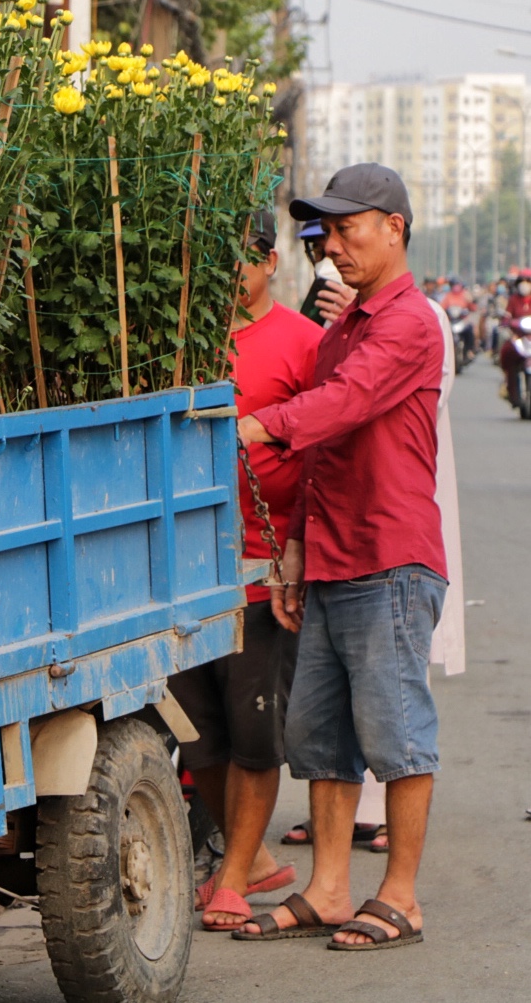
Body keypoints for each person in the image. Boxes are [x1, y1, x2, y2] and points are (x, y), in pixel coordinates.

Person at [234, 163, 446, 950]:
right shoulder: (348, 324)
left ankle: (400, 895)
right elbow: (324, 457)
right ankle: (327, 888)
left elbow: (344, 403)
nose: (332, 247)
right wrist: (291, 549)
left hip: (388, 555)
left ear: (392, 227)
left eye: (347, 229)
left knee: (395, 734)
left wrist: (259, 423)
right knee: (321, 736)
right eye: (324, 233)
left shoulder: (407, 322)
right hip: (328, 556)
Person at [171, 210, 320, 932]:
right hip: (184, 571)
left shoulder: (302, 342)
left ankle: (232, 874)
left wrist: (297, 551)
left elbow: (323, 452)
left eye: (238, 258)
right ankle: (250, 855)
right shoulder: (177, 336)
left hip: (263, 569)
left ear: (266, 263)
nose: (227, 273)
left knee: (253, 728)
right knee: (198, 733)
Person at [497, 276, 531, 407]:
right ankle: (510, 387)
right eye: (522, 282)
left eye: (528, 282)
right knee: (507, 351)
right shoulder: (513, 300)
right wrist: (508, 322)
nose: (525, 285)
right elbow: (506, 318)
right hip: (519, 338)